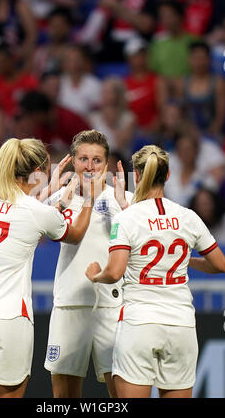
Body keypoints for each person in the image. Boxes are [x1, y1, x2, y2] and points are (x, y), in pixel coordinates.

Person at [0, 137, 103, 398]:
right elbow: (74, 233)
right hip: (9, 318)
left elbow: (16, 209)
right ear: (37, 173)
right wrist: (87, 198)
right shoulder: (35, 211)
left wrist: (45, 192)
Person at [85, 144, 225, 398]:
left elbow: (115, 272)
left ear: (136, 176)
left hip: (139, 324)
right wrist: (187, 261)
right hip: (181, 325)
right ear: (168, 175)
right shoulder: (188, 216)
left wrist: (96, 275)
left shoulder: (127, 219)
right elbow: (220, 265)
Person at [44, 129, 133, 398]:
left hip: (111, 305)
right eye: (83, 159)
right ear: (72, 160)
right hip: (69, 302)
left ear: (106, 165)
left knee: (120, 392)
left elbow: (146, 243)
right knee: (64, 397)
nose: (90, 166)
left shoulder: (124, 200)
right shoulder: (58, 200)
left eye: (97, 160)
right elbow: (26, 222)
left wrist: (126, 211)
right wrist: (50, 192)